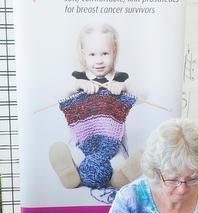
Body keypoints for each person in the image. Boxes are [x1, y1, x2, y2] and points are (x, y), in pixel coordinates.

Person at [49, 23, 142, 190]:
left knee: (118, 159)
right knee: (77, 155)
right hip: (82, 139)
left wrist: (125, 87)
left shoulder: (120, 78)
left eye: (105, 53)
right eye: (92, 54)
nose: (99, 60)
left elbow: (143, 95)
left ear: (114, 52)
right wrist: (76, 85)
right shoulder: (78, 77)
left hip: (113, 141)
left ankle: (120, 177)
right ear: (83, 54)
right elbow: (57, 94)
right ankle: (69, 172)